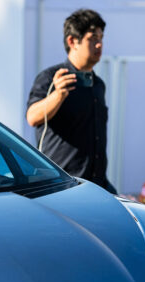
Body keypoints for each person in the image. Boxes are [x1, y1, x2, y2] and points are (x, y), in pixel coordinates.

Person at [25, 8, 115, 194]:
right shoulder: (52, 78)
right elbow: (32, 117)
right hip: (62, 187)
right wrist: (58, 95)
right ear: (72, 41)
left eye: (101, 38)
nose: (99, 44)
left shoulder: (98, 84)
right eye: (92, 38)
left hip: (97, 186)